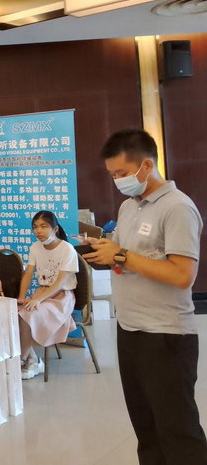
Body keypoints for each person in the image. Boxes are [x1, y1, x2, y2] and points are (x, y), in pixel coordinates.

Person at [84, 129, 207, 464]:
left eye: (122, 173)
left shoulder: (178, 207)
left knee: (177, 430)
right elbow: (128, 257)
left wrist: (121, 255)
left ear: (147, 165)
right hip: (130, 329)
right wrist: (107, 252)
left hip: (166, 335)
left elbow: (183, 275)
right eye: (112, 175)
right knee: (146, 429)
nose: (117, 181)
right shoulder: (129, 206)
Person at [16, 211, 78, 380]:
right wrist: (22, 296)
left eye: (44, 226)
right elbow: (28, 274)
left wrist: (38, 299)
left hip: (62, 297)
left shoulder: (67, 249)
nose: (38, 231)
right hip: (42, 293)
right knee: (15, 312)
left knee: (28, 314)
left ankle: (21, 360)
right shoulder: (35, 247)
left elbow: (60, 282)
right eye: (35, 227)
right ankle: (33, 360)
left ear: (55, 229)